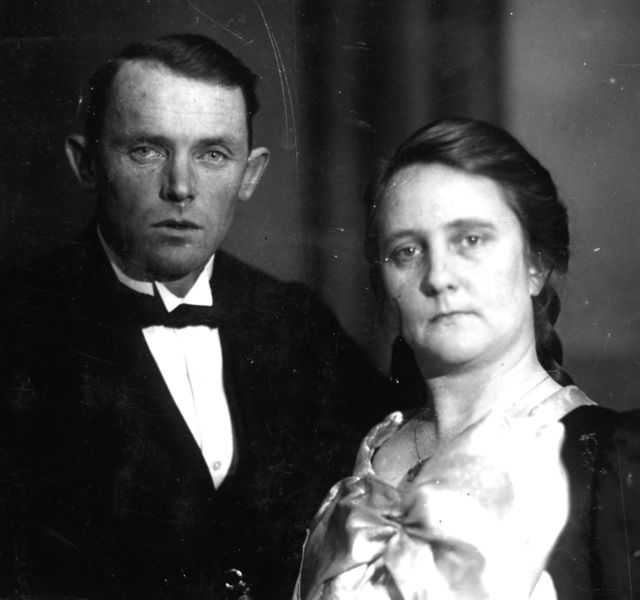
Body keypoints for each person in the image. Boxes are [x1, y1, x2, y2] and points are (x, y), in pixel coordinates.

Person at [0, 34, 392, 599]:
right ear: (87, 163)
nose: (181, 187)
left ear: (250, 174)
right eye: (147, 150)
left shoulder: (295, 322)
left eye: (213, 155)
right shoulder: (18, 324)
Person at [295, 118, 640, 599]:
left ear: (536, 263)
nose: (439, 277)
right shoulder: (346, 456)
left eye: (471, 240)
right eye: (407, 251)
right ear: (384, 286)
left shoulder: (612, 465)